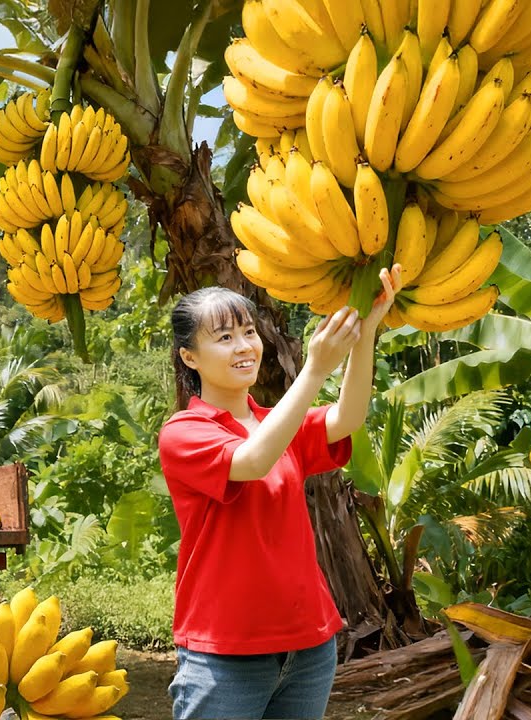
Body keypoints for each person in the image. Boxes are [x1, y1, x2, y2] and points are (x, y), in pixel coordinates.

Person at [159, 265, 401, 720]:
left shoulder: (276, 422)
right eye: (224, 337)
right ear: (189, 357)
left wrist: (367, 330)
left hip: (310, 648)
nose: (244, 346)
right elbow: (253, 461)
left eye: (249, 332)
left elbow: (346, 418)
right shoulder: (184, 433)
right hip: (225, 655)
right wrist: (314, 369)